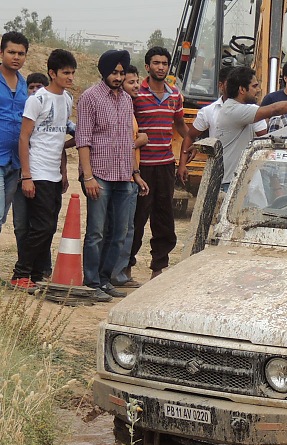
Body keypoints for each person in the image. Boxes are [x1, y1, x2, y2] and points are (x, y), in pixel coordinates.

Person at [77, 49, 147, 301]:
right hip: (99, 175)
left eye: (121, 73)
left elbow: (128, 142)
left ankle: (105, 280)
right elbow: (82, 140)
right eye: (114, 73)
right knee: (96, 232)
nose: (118, 77)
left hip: (123, 176)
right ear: (104, 72)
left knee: (119, 232)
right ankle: (91, 282)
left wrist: (135, 173)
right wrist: (88, 177)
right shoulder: (89, 98)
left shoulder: (127, 100)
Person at [10, 49, 77, 290]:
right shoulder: (37, 99)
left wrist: (64, 172)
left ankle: (36, 274)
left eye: (72, 73)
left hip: (55, 173)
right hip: (37, 172)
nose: (70, 77)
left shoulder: (67, 99)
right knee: (42, 226)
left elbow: (61, 136)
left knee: (48, 226)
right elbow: (24, 138)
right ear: (52, 73)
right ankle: (20, 274)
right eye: (65, 73)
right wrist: (26, 176)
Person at [216, 66, 287, 191]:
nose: (258, 90)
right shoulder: (234, 110)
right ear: (242, 89)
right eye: (254, 86)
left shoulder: (239, 109)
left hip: (240, 181)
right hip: (231, 183)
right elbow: (275, 109)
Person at [129, 46, 189, 280]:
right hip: (142, 167)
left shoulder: (175, 95)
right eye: (156, 63)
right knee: (136, 218)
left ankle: (158, 268)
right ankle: (126, 266)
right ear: (147, 67)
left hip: (166, 165)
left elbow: (181, 125)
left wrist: (191, 143)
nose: (161, 67)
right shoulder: (136, 94)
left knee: (164, 218)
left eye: (164, 63)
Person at [110, 65, 150, 288]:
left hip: (131, 174)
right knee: (119, 227)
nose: (136, 86)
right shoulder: (119, 109)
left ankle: (121, 272)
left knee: (128, 228)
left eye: (137, 82)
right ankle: (113, 273)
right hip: (120, 175)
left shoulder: (130, 109)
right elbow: (116, 145)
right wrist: (139, 141)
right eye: (131, 82)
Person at [0, 32, 29, 234]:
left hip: (15, 161)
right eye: (11, 52)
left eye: (21, 53)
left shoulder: (24, 85)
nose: (16, 57)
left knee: (2, 216)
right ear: (1, 52)